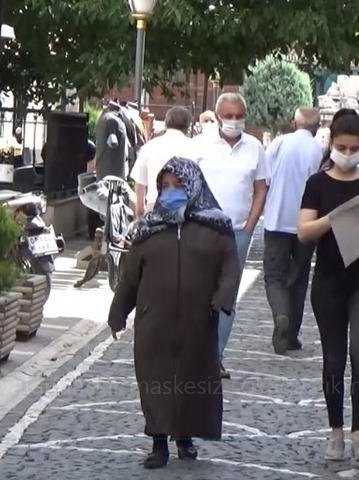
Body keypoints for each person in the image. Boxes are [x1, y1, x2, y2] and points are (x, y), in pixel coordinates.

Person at [108, 158, 240, 470]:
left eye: (177, 185)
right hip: (154, 322)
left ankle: (185, 437)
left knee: (193, 379)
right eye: (164, 186)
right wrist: (118, 313)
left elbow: (230, 267)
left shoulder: (216, 227)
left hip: (199, 320)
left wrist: (221, 299)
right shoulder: (146, 231)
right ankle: (157, 442)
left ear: (192, 185)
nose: (170, 192)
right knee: (155, 380)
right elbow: (129, 278)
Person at [298, 111, 359, 462]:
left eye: (354, 147)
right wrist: (333, 217)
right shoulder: (317, 183)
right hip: (328, 280)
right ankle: (335, 432)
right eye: (341, 146)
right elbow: (304, 230)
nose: (347, 152)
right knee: (333, 358)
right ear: (331, 142)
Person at [194, 93, 269, 378]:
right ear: (218, 115)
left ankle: (216, 356)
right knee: (198, 292)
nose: (234, 121)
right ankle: (195, 353)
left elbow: (261, 187)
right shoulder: (201, 145)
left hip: (237, 232)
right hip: (203, 229)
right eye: (229, 115)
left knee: (227, 297)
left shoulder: (254, 148)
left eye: (239, 116)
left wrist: (250, 225)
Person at [263, 107, 324, 355]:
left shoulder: (279, 143)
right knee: (299, 279)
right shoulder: (319, 149)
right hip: (306, 222)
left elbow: (265, 177)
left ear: (293, 122)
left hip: (277, 219)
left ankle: (281, 315)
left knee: (274, 276)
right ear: (316, 127)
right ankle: (292, 335)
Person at [131, 107, 197, 217]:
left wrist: (140, 213)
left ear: (166, 123)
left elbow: (140, 185)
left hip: (155, 205)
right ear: (188, 126)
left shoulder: (150, 147)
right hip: (186, 208)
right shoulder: (196, 147)